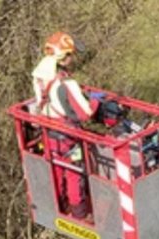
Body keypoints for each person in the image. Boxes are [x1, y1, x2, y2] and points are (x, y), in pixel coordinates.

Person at [35, 31, 106, 219]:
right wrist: (95, 101)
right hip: (68, 136)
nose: (72, 59)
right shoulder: (67, 83)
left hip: (48, 130)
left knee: (55, 171)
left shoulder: (41, 76)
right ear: (64, 57)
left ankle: (57, 208)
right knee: (74, 173)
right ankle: (79, 213)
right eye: (71, 55)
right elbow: (85, 113)